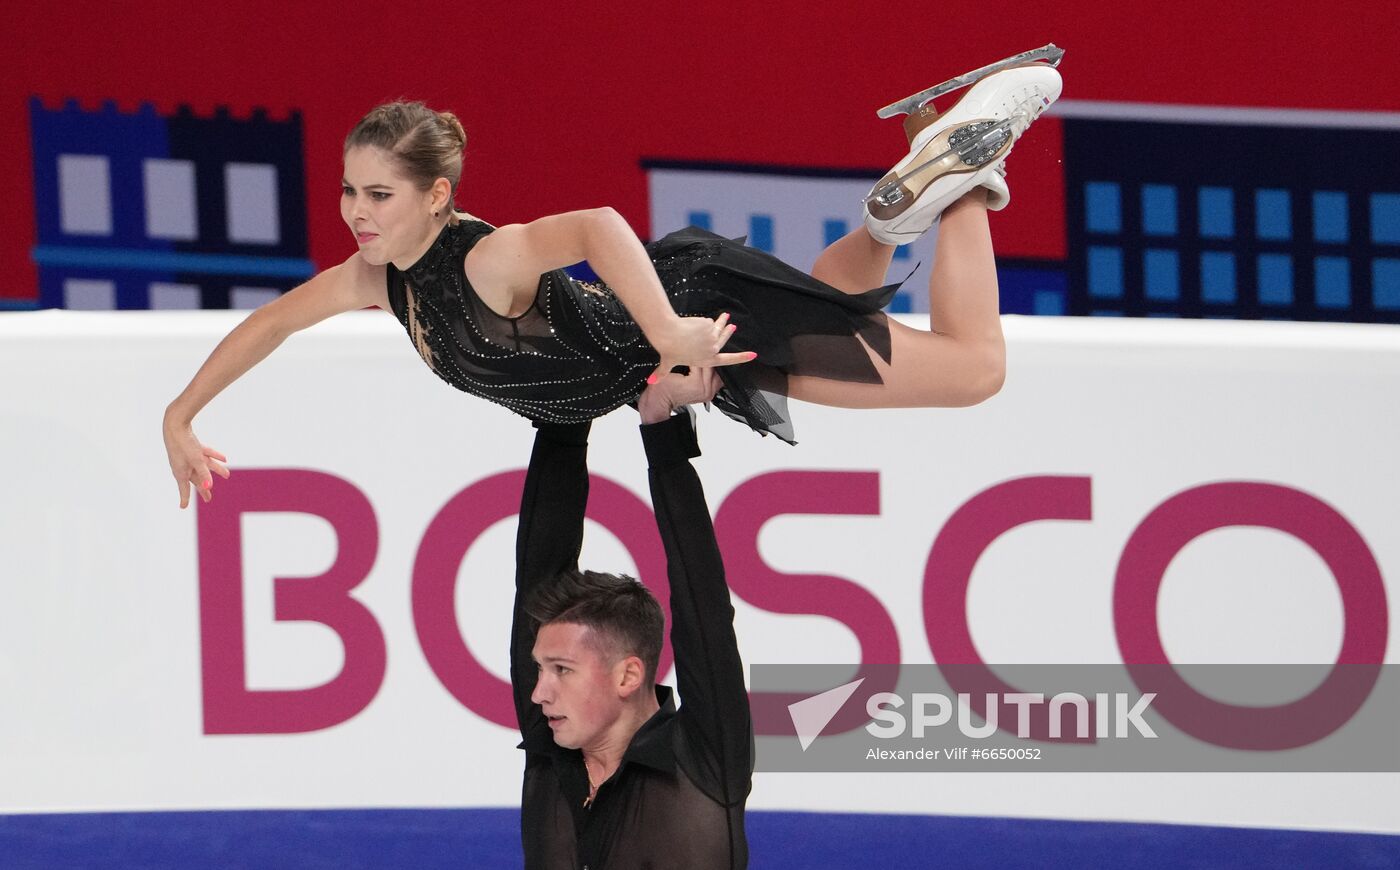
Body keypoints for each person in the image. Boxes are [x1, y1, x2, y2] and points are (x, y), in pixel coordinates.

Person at [163, 54, 1063, 506]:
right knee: (825, 302)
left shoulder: (487, 257)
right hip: (694, 322)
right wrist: (181, 415)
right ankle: (897, 209)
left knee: (975, 368)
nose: (359, 212)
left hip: (708, 327)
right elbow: (271, 323)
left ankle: (963, 181)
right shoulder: (376, 279)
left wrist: (672, 335)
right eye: (352, 191)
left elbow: (598, 223)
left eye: (381, 194)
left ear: (438, 196)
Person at [513, 367, 750, 868]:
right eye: (541, 669)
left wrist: (661, 430)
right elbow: (539, 570)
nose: (538, 692)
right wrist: (565, 412)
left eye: (562, 670)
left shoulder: (705, 760)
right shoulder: (550, 747)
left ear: (628, 673)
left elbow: (702, 605)